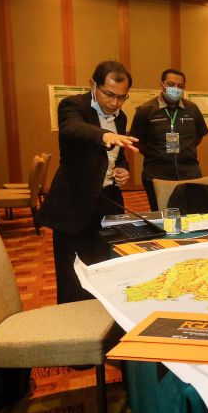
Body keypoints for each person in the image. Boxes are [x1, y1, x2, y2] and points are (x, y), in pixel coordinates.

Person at [37, 61, 139, 303]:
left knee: (106, 269)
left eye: (122, 98)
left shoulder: (121, 117)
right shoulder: (73, 106)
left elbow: (119, 157)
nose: (115, 103)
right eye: (109, 95)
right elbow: (74, 129)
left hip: (106, 203)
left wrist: (122, 170)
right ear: (93, 84)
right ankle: (73, 335)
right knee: (73, 277)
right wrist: (105, 135)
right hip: (74, 205)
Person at [128, 68, 208, 211]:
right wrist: (157, 154)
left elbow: (198, 137)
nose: (175, 89)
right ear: (162, 84)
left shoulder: (192, 109)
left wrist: (184, 150)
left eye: (180, 86)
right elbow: (137, 141)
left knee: (192, 215)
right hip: (157, 175)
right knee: (162, 217)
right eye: (171, 84)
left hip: (189, 174)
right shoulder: (145, 110)